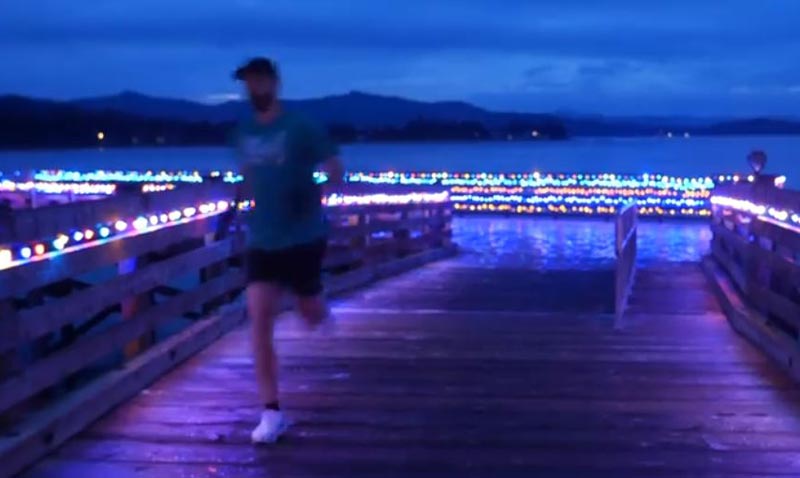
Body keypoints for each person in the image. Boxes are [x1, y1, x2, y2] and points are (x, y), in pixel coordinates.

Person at [231, 57, 344, 444]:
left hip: (303, 236)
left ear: (275, 83)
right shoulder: (243, 132)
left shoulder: (300, 127)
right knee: (259, 319)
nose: (254, 88)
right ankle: (271, 412)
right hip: (262, 239)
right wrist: (243, 204)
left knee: (309, 312)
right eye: (248, 82)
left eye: (260, 81)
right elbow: (248, 175)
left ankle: (318, 307)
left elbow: (335, 167)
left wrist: (314, 191)